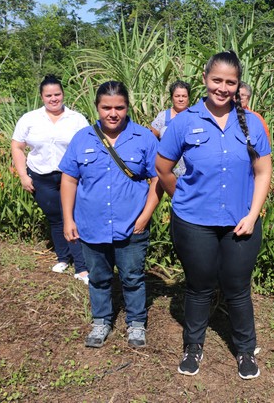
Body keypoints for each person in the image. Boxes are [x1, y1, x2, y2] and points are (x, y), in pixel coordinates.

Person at [156, 50, 271, 379]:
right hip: (194, 223)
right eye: (217, 80)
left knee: (237, 287)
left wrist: (253, 214)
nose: (223, 87)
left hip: (240, 222)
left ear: (238, 85)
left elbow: (263, 172)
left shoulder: (250, 123)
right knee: (199, 286)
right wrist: (183, 197)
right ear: (205, 79)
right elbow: (163, 168)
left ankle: (245, 350)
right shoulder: (185, 122)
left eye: (230, 82)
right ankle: (193, 345)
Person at [59, 81, 162, 349]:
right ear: (97, 107)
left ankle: (136, 323)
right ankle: (101, 320)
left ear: (127, 108)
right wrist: (68, 219)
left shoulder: (144, 138)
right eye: (106, 108)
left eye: (119, 107)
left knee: (132, 277)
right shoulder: (82, 138)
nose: (113, 113)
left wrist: (145, 216)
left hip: (132, 226)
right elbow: (69, 179)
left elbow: (157, 180)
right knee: (99, 277)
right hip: (91, 225)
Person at [11, 75, 89, 283]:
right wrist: (22, 175)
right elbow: (17, 146)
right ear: (42, 97)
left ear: (63, 94)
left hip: (70, 176)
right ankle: (64, 258)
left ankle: (81, 267)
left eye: (57, 94)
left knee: (71, 217)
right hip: (41, 175)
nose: (53, 99)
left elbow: (87, 147)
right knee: (56, 218)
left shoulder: (77, 119)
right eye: (49, 95)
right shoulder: (30, 119)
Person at [150, 80, 191, 176]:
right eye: (177, 96)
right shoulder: (163, 117)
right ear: (172, 98)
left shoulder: (194, 116)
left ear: (188, 98)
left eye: (184, 96)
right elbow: (150, 139)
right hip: (167, 171)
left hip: (189, 172)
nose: (181, 99)